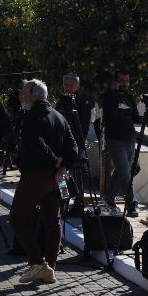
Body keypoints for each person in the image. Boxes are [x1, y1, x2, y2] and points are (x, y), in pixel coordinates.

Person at [10, 79, 79, 286]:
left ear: (34, 94)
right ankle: (50, 267)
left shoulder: (33, 115)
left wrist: (55, 161)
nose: (22, 95)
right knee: (52, 222)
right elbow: (73, 147)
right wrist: (63, 165)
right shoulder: (59, 116)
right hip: (56, 178)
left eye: (24, 91)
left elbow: (35, 142)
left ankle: (38, 262)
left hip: (37, 175)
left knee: (16, 218)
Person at [100, 71, 140, 217]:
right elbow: (109, 111)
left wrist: (146, 117)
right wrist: (114, 91)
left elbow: (135, 116)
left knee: (123, 171)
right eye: (122, 81)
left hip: (130, 138)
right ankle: (131, 205)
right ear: (115, 82)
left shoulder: (129, 97)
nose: (125, 83)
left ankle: (109, 198)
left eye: (127, 81)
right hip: (115, 139)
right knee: (124, 172)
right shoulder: (108, 96)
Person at [54, 73, 95, 217]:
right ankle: (63, 200)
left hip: (76, 142)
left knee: (77, 173)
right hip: (60, 143)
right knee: (62, 172)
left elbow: (82, 125)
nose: (67, 87)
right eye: (65, 84)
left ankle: (79, 202)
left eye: (71, 84)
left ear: (78, 85)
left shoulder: (82, 101)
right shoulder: (62, 101)